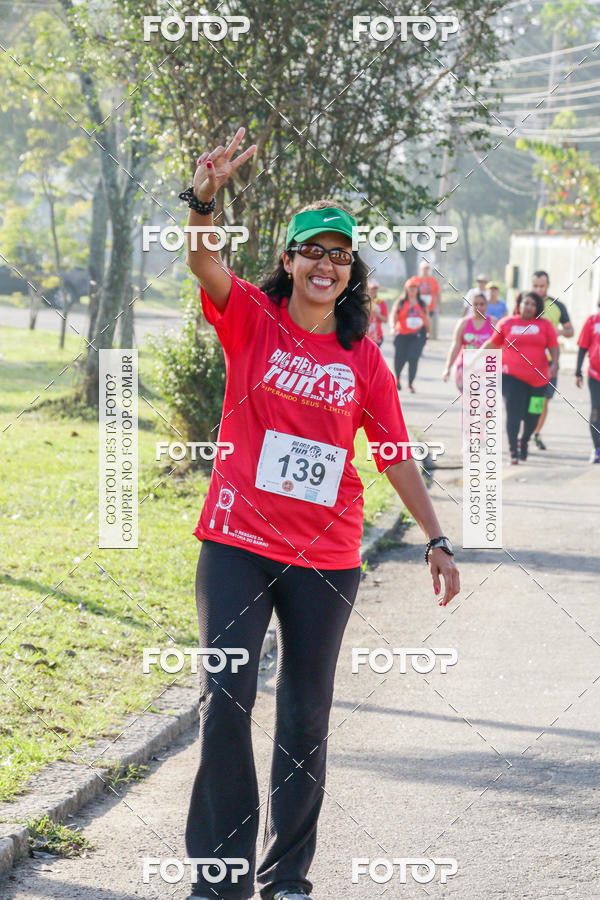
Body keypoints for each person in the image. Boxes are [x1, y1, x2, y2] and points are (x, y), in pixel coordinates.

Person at [181, 127, 460, 900]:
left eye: (339, 255)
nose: (324, 264)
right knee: (225, 700)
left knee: (304, 722)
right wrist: (204, 198)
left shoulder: (362, 356)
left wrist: (436, 537)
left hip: (327, 557)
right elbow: (204, 261)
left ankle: (288, 880)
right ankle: (220, 877)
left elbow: (395, 451)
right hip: (236, 540)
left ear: (350, 272)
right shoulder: (250, 319)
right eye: (312, 251)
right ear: (290, 261)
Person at [481, 291, 558, 464]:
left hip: (539, 379)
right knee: (513, 413)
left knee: (534, 415)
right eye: (526, 303)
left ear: (537, 308)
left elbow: (554, 347)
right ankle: (513, 450)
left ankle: (524, 441)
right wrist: (474, 358)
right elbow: (492, 344)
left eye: (533, 304)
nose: (529, 307)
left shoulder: (545, 325)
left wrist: (555, 364)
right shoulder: (507, 323)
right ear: (519, 305)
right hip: (511, 376)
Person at [530, 270, 574, 450]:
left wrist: (559, 332)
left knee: (543, 400)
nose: (538, 289)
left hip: (548, 363)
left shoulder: (558, 306)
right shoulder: (526, 303)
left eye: (542, 286)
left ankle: (536, 433)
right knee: (527, 400)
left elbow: (571, 331)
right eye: (535, 286)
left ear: (548, 285)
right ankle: (524, 434)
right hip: (527, 361)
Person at [442, 292, 494, 392]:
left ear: (486, 305)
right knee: (467, 400)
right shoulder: (463, 323)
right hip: (465, 366)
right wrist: (447, 368)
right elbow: (456, 345)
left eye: (482, 304)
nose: (478, 307)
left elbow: (501, 346)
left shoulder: (494, 322)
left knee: (483, 402)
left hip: (486, 368)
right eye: (475, 304)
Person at [391, 276, 431, 393]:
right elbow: (393, 316)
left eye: (415, 288)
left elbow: (427, 319)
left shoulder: (422, 304)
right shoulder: (401, 302)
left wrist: (428, 333)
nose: (413, 290)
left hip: (418, 335)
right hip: (402, 334)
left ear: (418, 289)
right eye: (410, 288)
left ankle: (410, 384)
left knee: (413, 358)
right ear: (406, 289)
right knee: (400, 359)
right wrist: (393, 328)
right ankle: (397, 378)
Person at [575, 297, 600, 463]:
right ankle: (597, 448)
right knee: (596, 411)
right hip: (595, 375)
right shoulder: (592, 321)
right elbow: (583, 346)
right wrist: (577, 371)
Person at [416, 259, 441, 339]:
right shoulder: (416, 280)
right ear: (421, 269)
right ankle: (419, 335)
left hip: (430, 307)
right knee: (419, 322)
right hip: (418, 307)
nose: (426, 271)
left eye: (427, 269)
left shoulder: (433, 281)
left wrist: (440, 306)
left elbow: (438, 294)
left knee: (427, 322)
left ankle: (426, 335)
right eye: (424, 269)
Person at [366, 278, 388, 348]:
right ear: (368, 289)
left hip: (377, 337)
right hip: (364, 336)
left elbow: (385, 320)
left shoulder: (381, 302)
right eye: (372, 288)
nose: (373, 291)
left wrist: (377, 314)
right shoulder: (363, 301)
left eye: (375, 288)